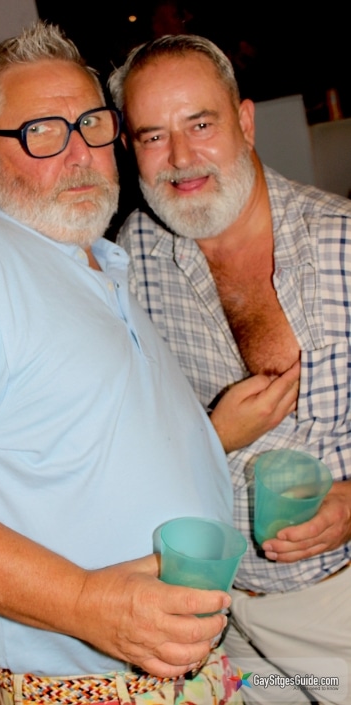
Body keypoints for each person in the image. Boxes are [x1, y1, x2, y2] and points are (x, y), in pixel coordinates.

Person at [0, 20, 279, 705]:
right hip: (87, 684)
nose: (79, 154)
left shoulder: (102, 261)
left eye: (92, 124)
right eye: (40, 131)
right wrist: (88, 603)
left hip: (190, 662)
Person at [109, 34, 351, 704]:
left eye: (201, 125)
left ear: (245, 122)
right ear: (129, 147)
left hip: (335, 604)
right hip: (218, 615)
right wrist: (213, 434)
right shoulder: (135, 256)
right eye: (153, 136)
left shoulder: (342, 245)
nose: (181, 159)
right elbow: (126, 441)